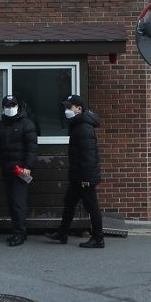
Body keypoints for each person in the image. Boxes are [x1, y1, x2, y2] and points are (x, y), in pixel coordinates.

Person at [45, 94, 105, 248]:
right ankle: (62, 233)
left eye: (69, 107)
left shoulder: (84, 128)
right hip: (78, 175)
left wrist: (86, 178)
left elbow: (88, 156)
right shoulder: (78, 125)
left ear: (79, 108)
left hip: (84, 176)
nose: (66, 110)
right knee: (69, 202)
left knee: (92, 206)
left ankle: (98, 238)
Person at [0, 94, 38, 246]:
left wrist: (28, 166)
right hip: (7, 169)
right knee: (12, 202)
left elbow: (32, 148)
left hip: (21, 171)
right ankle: (19, 231)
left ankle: (19, 233)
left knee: (18, 202)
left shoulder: (27, 124)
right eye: (7, 106)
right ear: (3, 108)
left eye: (13, 105)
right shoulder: (0, 125)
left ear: (18, 106)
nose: (10, 108)